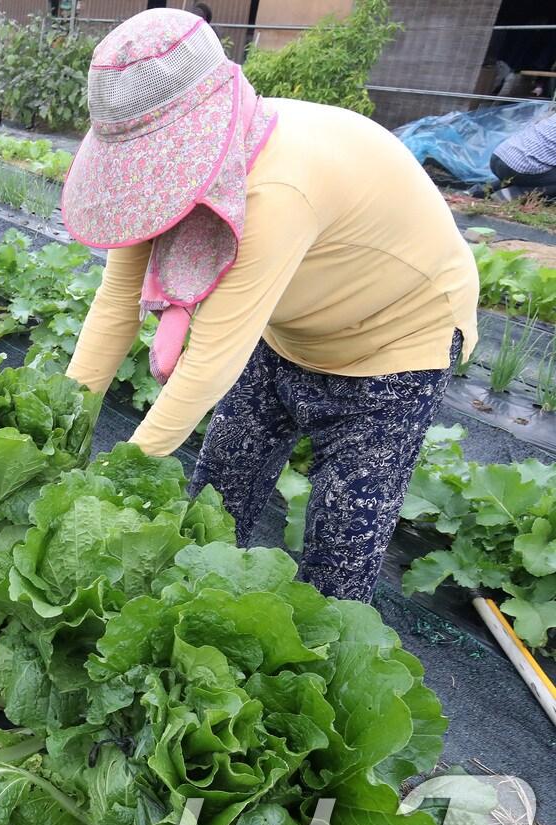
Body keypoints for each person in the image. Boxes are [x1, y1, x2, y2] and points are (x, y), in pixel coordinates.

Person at [61, 8, 479, 603]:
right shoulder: (170, 181)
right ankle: (195, 621)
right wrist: (59, 434)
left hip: (398, 338)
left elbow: (208, 361)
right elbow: (114, 303)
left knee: (340, 545)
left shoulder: (277, 190)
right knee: (218, 492)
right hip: (289, 326)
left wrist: (112, 477)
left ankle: (318, 664)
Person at [489, 111, 556, 199]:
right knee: (538, 175)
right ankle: (510, 195)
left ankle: (479, 191)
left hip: (499, 155)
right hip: (520, 167)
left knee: (528, 176)